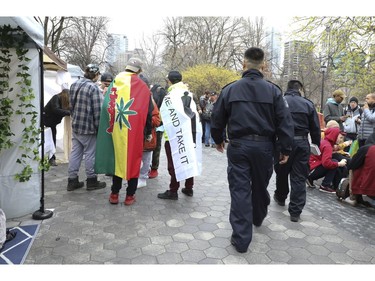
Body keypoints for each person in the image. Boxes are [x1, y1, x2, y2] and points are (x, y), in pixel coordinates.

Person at [210, 47, 294, 253]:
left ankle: (241, 239)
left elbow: (217, 117)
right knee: (259, 185)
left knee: (240, 190)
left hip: (238, 146)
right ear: (264, 66)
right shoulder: (274, 91)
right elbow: (285, 121)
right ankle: (257, 216)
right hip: (264, 147)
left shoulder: (230, 89)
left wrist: (218, 139)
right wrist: (285, 148)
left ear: (243, 64)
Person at [95, 57, 153, 205]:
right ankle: (129, 196)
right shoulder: (142, 86)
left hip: (115, 129)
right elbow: (148, 112)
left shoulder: (115, 82)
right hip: (134, 132)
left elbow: (106, 107)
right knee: (133, 161)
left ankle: (114, 194)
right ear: (139, 70)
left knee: (118, 161)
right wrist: (147, 132)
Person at [273, 80, 321, 222]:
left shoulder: (280, 102)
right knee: (299, 176)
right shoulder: (307, 104)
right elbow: (315, 128)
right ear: (299, 89)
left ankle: (281, 196)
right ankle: (295, 211)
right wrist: (316, 145)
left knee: (281, 171)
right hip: (302, 142)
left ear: (287, 88)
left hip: (282, 141)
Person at [157, 70, 202, 200]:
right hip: (190, 133)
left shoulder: (170, 96)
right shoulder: (190, 93)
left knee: (175, 161)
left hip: (175, 135)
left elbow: (163, 115)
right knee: (188, 158)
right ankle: (189, 187)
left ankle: (173, 190)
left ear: (169, 81)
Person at [67, 64, 106, 191]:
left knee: (75, 153)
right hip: (88, 128)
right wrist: (100, 128)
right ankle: (91, 180)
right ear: (95, 75)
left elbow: (70, 105)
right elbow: (98, 111)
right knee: (90, 154)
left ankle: (72, 180)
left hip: (76, 125)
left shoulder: (74, 85)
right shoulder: (93, 88)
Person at [306, 127, 348, 193]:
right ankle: (325, 185)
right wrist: (339, 164)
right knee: (334, 162)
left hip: (310, 168)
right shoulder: (328, 146)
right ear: (334, 135)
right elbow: (326, 163)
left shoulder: (324, 142)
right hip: (312, 170)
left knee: (334, 161)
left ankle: (311, 179)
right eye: (340, 138)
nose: (341, 140)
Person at [138, 92, 161, 188]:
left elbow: (157, 120)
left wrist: (145, 120)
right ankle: (134, 177)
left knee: (146, 158)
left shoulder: (150, 101)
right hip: (134, 136)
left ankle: (143, 177)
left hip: (147, 136)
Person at [346, 132, 375, 206]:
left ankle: (353, 196)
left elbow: (351, 166)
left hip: (369, 189)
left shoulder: (367, 148)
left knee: (354, 167)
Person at [43, 89, 70, 166]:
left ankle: (51, 158)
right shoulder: (56, 98)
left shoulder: (58, 98)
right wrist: (69, 112)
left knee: (52, 139)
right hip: (47, 121)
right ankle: (51, 158)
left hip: (51, 122)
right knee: (51, 139)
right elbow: (56, 109)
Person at [149, 84, 167, 179]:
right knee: (149, 146)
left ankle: (154, 168)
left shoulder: (160, 91)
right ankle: (149, 167)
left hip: (159, 123)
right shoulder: (149, 91)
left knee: (156, 146)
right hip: (151, 123)